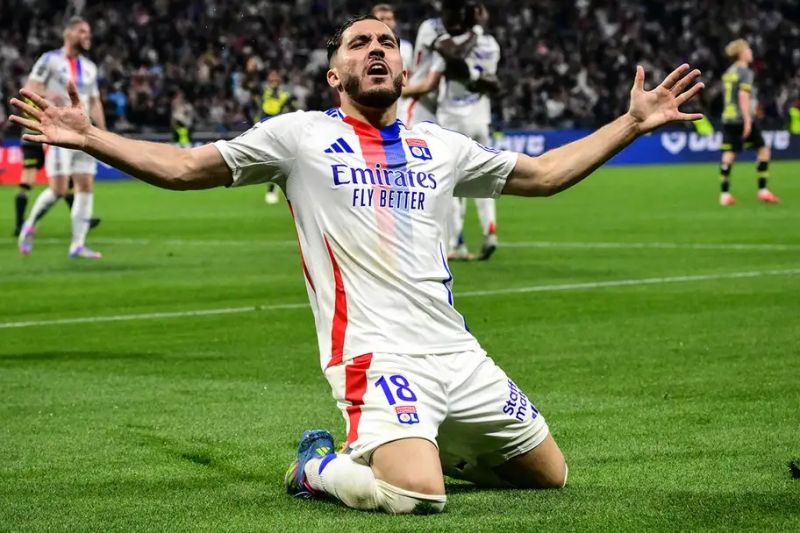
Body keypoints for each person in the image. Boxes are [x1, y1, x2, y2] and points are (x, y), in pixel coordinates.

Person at [10, 15, 704, 515]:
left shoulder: (442, 146)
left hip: (457, 353)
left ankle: (421, 438)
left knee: (549, 476)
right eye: (359, 43)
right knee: (416, 496)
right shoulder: (299, 137)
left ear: (404, 72)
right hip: (375, 355)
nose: (376, 49)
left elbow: (546, 174)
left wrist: (631, 123)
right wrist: (92, 137)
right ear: (334, 73)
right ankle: (318, 466)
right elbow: (186, 166)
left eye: (388, 44)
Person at [404, 2, 501, 260]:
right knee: (485, 177)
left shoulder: (446, 45)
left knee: (451, 182)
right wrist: (478, 78)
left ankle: (455, 242)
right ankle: (489, 231)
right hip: (481, 117)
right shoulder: (491, 44)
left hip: (450, 118)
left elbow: (448, 65)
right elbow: (494, 83)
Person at [16, 16, 105, 258]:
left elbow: (95, 101)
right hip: (60, 133)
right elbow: (30, 88)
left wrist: (103, 132)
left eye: (88, 32)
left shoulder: (90, 67)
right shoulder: (49, 60)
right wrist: (48, 98)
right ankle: (29, 226)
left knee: (85, 185)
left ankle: (78, 244)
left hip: (85, 133)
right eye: (82, 31)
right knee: (58, 189)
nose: (87, 35)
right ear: (69, 33)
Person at [718, 39, 779, 206]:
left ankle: (724, 195)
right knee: (763, 150)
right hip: (741, 117)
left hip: (728, 117)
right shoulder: (745, 72)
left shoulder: (729, 72)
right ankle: (763, 190)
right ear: (742, 53)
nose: (751, 52)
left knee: (729, 154)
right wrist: (747, 120)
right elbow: (743, 96)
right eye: (748, 49)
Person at [258, 69, 296, 204]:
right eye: (271, 77)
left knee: (278, 159)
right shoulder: (263, 92)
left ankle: (273, 188)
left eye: (276, 77)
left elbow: (292, 109)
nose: (274, 80)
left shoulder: (286, 94)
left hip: (279, 129)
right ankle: (274, 186)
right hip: (263, 129)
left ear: (280, 80)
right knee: (269, 160)